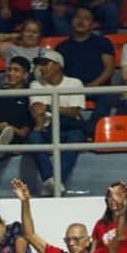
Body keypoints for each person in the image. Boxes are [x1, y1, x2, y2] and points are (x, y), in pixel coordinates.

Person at [28, 49, 86, 196]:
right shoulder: (36, 84)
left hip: (69, 126)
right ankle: (52, 181)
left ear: (58, 65)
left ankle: (55, 183)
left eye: (46, 64)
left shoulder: (74, 83)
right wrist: (39, 124)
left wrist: (48, 107)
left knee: (76, 137)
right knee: (33, 137)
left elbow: (74, 112)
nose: (41, 67)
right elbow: (36, 109)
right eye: (40, 64)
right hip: (47, 127)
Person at [55, 6, 115, 126]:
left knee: (108, 95)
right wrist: (74, 87)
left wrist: (94, 84)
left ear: (92, 24)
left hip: (98, 87)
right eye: (78, 17)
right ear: (71, 21)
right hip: (72, 90)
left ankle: (90, 128)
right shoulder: (61, 47)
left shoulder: (103, 42)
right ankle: (80, 128)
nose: (81, 21)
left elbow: (109, 69)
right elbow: (59, 73)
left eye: (86, 18)